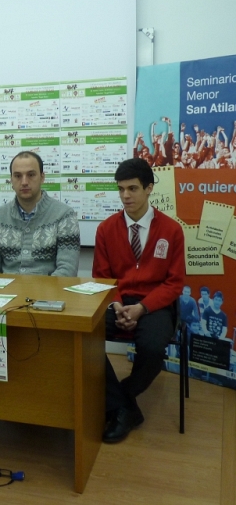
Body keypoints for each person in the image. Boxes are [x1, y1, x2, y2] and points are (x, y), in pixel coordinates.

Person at [93, 157, 185, 443]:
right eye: (120, 189)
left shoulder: (171, 230)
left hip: (154, 303)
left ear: (149, 188)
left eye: (132, 189)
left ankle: (120, 399)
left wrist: (143, 308)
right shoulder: (106, 229)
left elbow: (174, 283)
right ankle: (124, 408)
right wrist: (118, 304)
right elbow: (102, 278)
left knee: (153, 346)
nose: (125, 196)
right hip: (118, 301)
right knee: (84, 333)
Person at [0, 151, 80, 276]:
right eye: (17, 176)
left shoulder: (64, 215)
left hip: (48, 293)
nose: (24, 182)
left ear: (42, 177)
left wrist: (35, 293)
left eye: (31, 175)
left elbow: (67, 270)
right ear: (11, 180)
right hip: (7, 292)